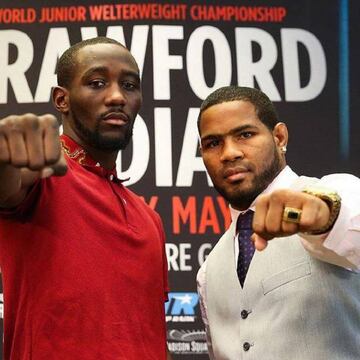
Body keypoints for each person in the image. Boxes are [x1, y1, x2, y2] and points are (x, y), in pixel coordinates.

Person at [0, 37, 172, 359]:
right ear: (61, 99)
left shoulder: (150, 220)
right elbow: (7, 187)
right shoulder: (40, 178)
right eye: (96, 83)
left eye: (130, 85)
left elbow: (153, 336)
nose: (118, 96)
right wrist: (4, 153)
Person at [196, 86, 360, 359]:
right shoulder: (207, 273)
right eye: (213, 143)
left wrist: (323, 215)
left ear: (279, 136)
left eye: (245, 135)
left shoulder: (336, 191)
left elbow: (347, 215)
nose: (229, 153)